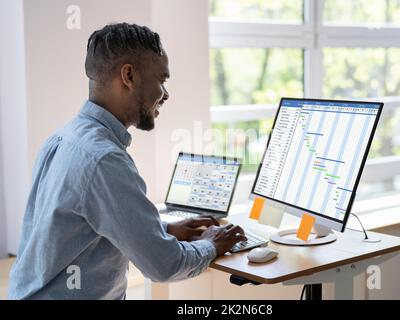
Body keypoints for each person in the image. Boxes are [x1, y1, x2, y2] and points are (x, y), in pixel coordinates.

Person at [8, 23, 246, 300]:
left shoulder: (63, 138)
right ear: (129, 76)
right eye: (162, 80)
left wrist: (164, 229)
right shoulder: (104, 160)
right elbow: (165, 265)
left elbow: (79, 225)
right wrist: (211, 245)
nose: (166, 94)